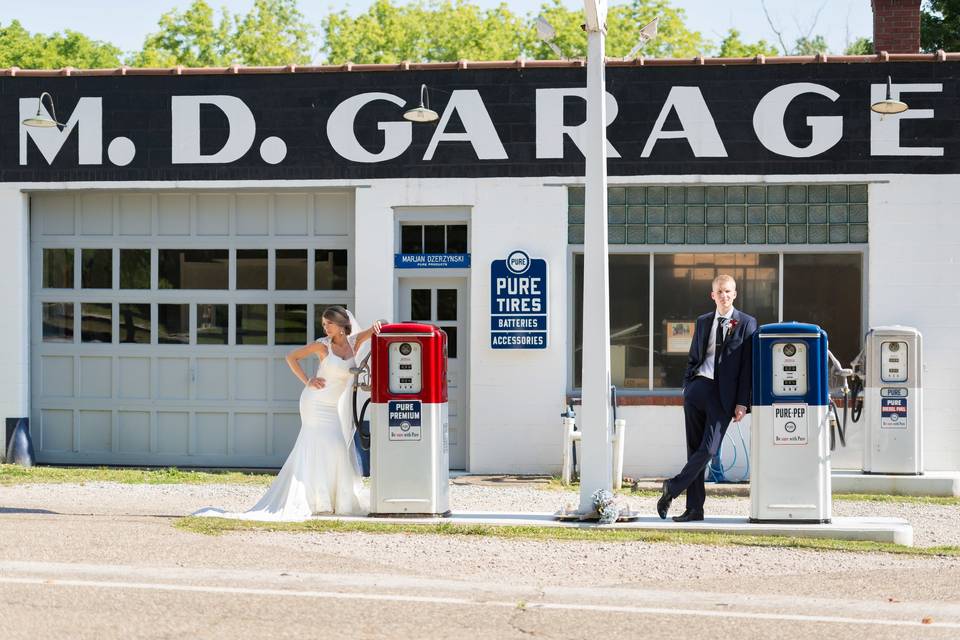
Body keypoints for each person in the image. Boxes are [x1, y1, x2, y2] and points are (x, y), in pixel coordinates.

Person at [194, 306, 384, 521]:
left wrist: (379, 323)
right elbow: (291, 357)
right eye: (323, 324)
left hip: (331, 406)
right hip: (314, 403)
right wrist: (308, 380)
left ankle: (335, 500)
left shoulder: (354, 342)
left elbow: (379, 327)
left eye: (328, 324)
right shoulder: (322, 346)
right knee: (314, 445)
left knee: (336, 446)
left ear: (341, 325)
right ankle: (317, 501)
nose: (325, 328)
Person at [657, 274, 757, 522]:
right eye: (720, 292)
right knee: (695, 451)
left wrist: (743, 402)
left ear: (735, 294)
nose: (724, 296)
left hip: (724, 397)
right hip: (698, 390)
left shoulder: (747, 323)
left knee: (709, 449)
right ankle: (694, 509)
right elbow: (693, 357)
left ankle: (672, 487)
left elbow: (747, 368)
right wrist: (687, 387)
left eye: (728, 291)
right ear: (712, 295)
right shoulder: (702, 322)